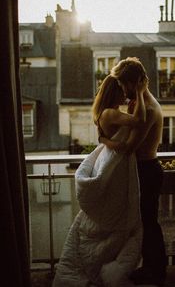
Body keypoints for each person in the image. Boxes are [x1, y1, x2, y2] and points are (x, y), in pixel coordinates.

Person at [53, 72, 148, 287]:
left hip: (111, 161)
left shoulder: (104, 113)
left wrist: (107, 140)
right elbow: (140, 121)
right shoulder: (111, 114)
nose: (125, 93)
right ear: (114, 92)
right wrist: (141, 93)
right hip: (115, 168)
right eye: (122, 91)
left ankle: (106, 261)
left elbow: (104, 137)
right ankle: (103, 266)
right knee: (117, 217)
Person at [105, 57, 167, 286]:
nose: (122, 89)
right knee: (144, 223)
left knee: (150, 223)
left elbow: (130, 146)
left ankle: (157, 272)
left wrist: (104, 139)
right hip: (142, 169)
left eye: (123, 84)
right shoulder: (140, 104)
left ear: (134, 83)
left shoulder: (149, 109)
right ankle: (149, 268)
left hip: (147, 171)